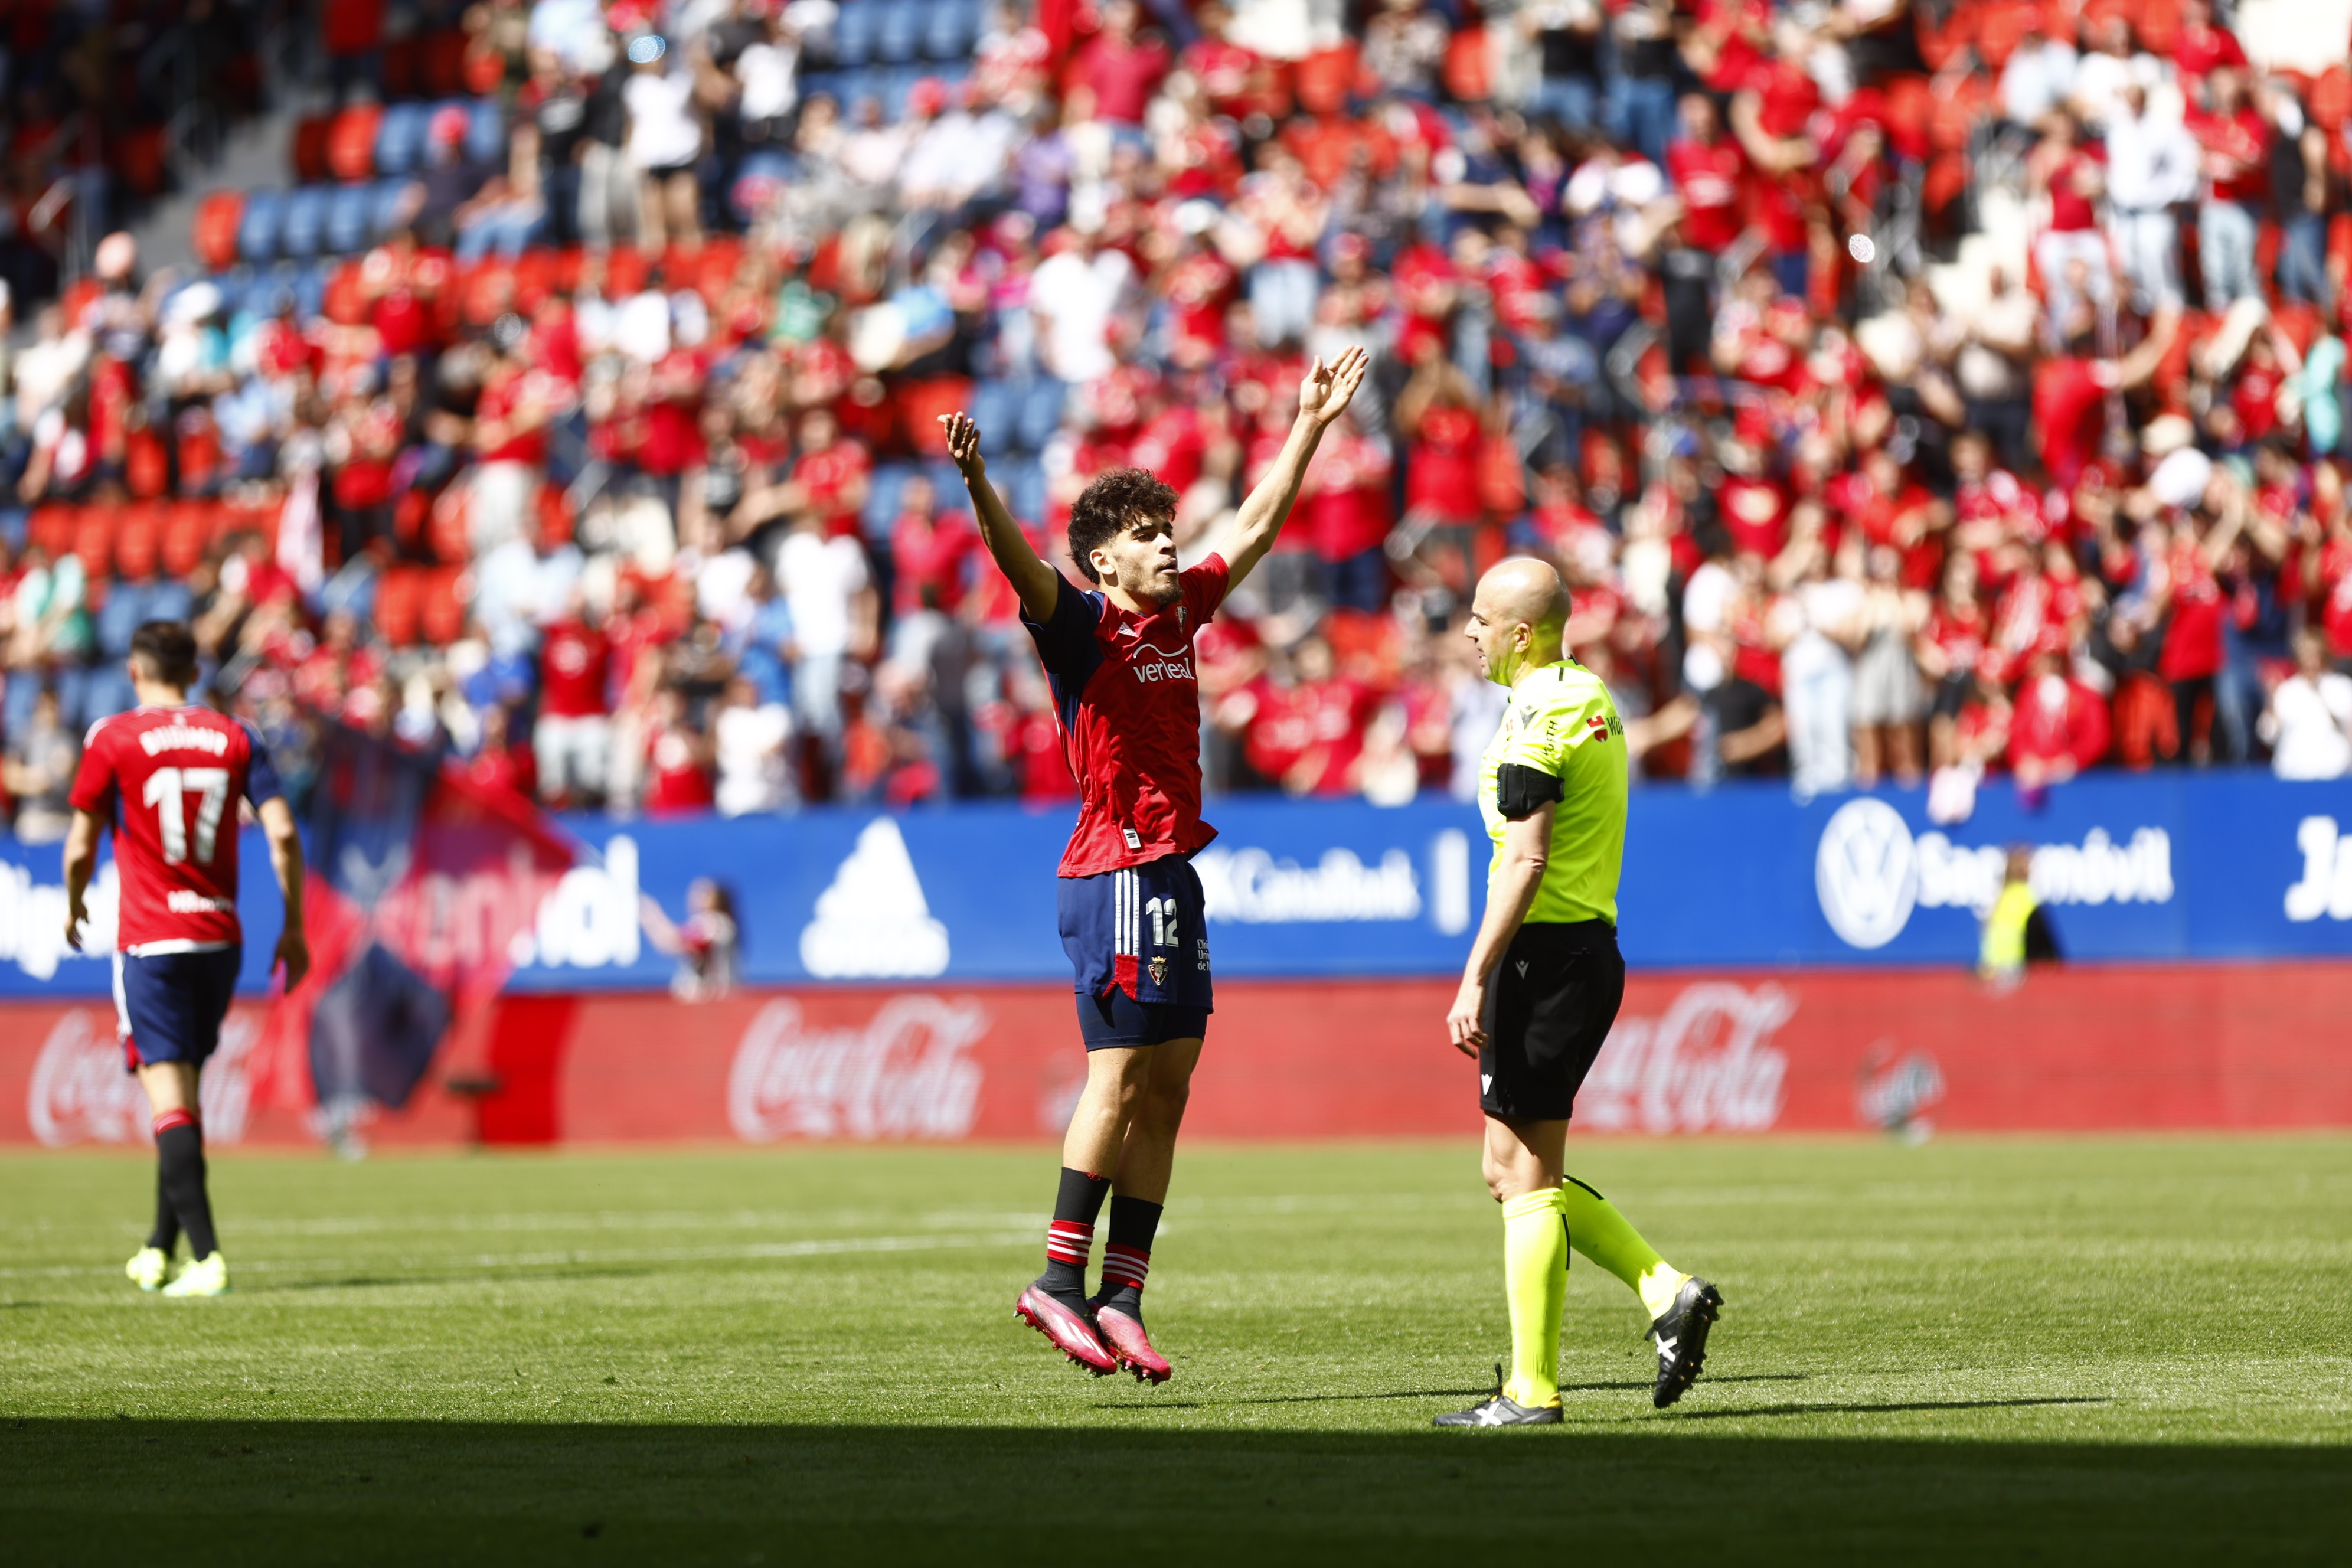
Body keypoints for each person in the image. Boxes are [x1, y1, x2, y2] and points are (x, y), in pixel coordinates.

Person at [939, 344, 1370, 1384]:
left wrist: (1308, 422)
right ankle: (1055, 1280)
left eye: (1166, 528)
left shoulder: (1180, 613)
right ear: (1102, 561)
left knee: (1169, 1084)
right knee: (1119, 1075)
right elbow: (1015, 565)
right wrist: (979, 485)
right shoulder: (1080, 628)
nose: (1166, 544)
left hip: (1172, 870)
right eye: (1144, 534)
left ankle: (1122, 1293)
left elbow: (1259, 523)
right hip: (1113, 873)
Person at [1433, 558, 1720, 1426]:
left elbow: (1525, 858)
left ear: (1523, 633)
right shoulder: (1588, 694)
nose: (1470, 633)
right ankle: (1664, 1289)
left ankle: (1532, 1389)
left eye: (1482, 619)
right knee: (1510, 1169)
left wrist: (1476, 973)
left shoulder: (1538, 713)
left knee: (1525, 1181)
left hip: (1544, 960)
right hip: (1582, 950)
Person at [60, 622, 309, 1299]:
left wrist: (75, 902)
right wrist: (293, 927)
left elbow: (81, 844)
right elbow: (283, 833)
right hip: (221, 941)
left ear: (136, 673)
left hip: (151, 940)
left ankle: (207, 1257)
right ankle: (157, 1248)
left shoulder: (111, 737)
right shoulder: (236, 736)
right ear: (195, 673)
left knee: (170, 1101)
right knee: (185, 1096)